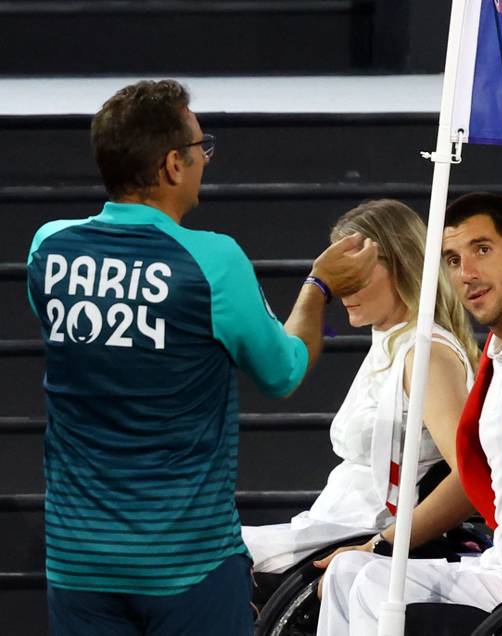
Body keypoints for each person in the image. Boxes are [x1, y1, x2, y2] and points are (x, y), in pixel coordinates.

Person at [25, 79, 376, 636]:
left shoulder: (48, 248)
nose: (204, 161)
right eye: (199, 148)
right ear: (171, 166)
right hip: (187, 565)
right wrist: (319, 287)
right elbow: (283, 371)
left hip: (78, 560)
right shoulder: (212, 261)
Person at [316, 192, 502, 634]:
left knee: (371, 587)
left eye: (482, 250)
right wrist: (378, 546)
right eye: (452, 260)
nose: (468, 273)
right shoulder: (493, 359)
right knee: (351, 574)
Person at [241, 199, 479, 578]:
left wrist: (379, 545)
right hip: (326, 526)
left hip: (358, 536)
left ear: (402, 267)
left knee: (210, 558)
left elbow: (472, 476)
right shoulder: (390, 342)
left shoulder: (426, 354)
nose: (344, 288)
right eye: (342, 276)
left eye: (358, 274)